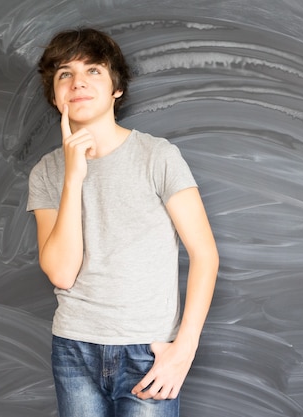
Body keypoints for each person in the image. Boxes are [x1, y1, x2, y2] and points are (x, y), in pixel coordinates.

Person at [26, 28, 219, 417]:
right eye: (65, 74)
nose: (78, 81)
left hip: (149, 351)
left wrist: (185, 347)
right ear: (54, 95)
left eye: (93, 70)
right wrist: (74, 177)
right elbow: (62, 273)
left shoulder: (157, 157)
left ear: (116, 88)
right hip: (74, 348)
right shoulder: (47, 171)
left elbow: (205, 255)